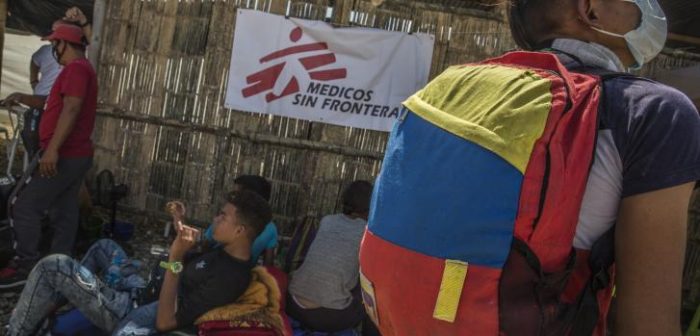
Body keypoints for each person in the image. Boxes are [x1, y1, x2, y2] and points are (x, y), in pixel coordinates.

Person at [6, 190, 271, 335]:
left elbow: (165, 322)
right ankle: (50, 309)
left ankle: (17, 331)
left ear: (240, 231)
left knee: (54, 265)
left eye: (222, 216)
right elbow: (193, 243)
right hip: (140, 287)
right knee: (104, 246)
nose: (215, 219)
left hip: (131, 309)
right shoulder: (223, 249)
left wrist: (174, 258)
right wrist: (180, 221)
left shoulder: (231, 276)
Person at [0, 23, 98, 289]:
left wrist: (52, 150)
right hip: (77, 154)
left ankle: (25, 266)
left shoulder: (77, 69)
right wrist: (21, 96)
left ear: (65, 44)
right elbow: (52, 103)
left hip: (64, 154)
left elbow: (72, 108)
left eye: (55, 44)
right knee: (64, 208)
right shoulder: (79, 70)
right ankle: (59, 265)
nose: (53, 49)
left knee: (21, 204)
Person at [287, 180, 377, 334]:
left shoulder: (327, 221)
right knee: (371, 296)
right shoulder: (367, 233)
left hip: (292, 304)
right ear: (372, 207)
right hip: (327, 318)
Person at [203, 175, 278, 266]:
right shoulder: (271, 228)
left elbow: (205, 247)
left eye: (237, 193)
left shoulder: (228, 219)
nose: (234, 197)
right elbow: (268, 265)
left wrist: (180, 253)